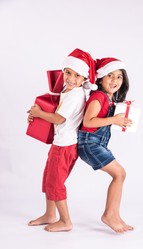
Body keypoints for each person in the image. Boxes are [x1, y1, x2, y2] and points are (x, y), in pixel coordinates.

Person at [27, 48, 96, 232]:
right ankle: (50, 214)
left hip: (65, 145)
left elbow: (59, 118)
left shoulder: (75, 95)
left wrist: (39, 113)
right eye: (68, 72)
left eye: (77, 75)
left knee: (56, 182)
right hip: (60, 142)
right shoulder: (68, 90)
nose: (71, 78)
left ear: (84, 79)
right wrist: (38, 112)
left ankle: (66, 221)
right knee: (49, 178)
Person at [77, 57, 134, 233]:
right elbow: (89, 121)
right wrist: (114, 120)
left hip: (97, 143)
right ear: (101, 79)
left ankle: (114, 215)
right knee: (119, 174)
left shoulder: (108, 99)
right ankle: (109, 215)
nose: (115, 80)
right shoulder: (98, 96)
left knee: (120, 174)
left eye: (119, 77)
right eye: (110, 75)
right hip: (89, 143)